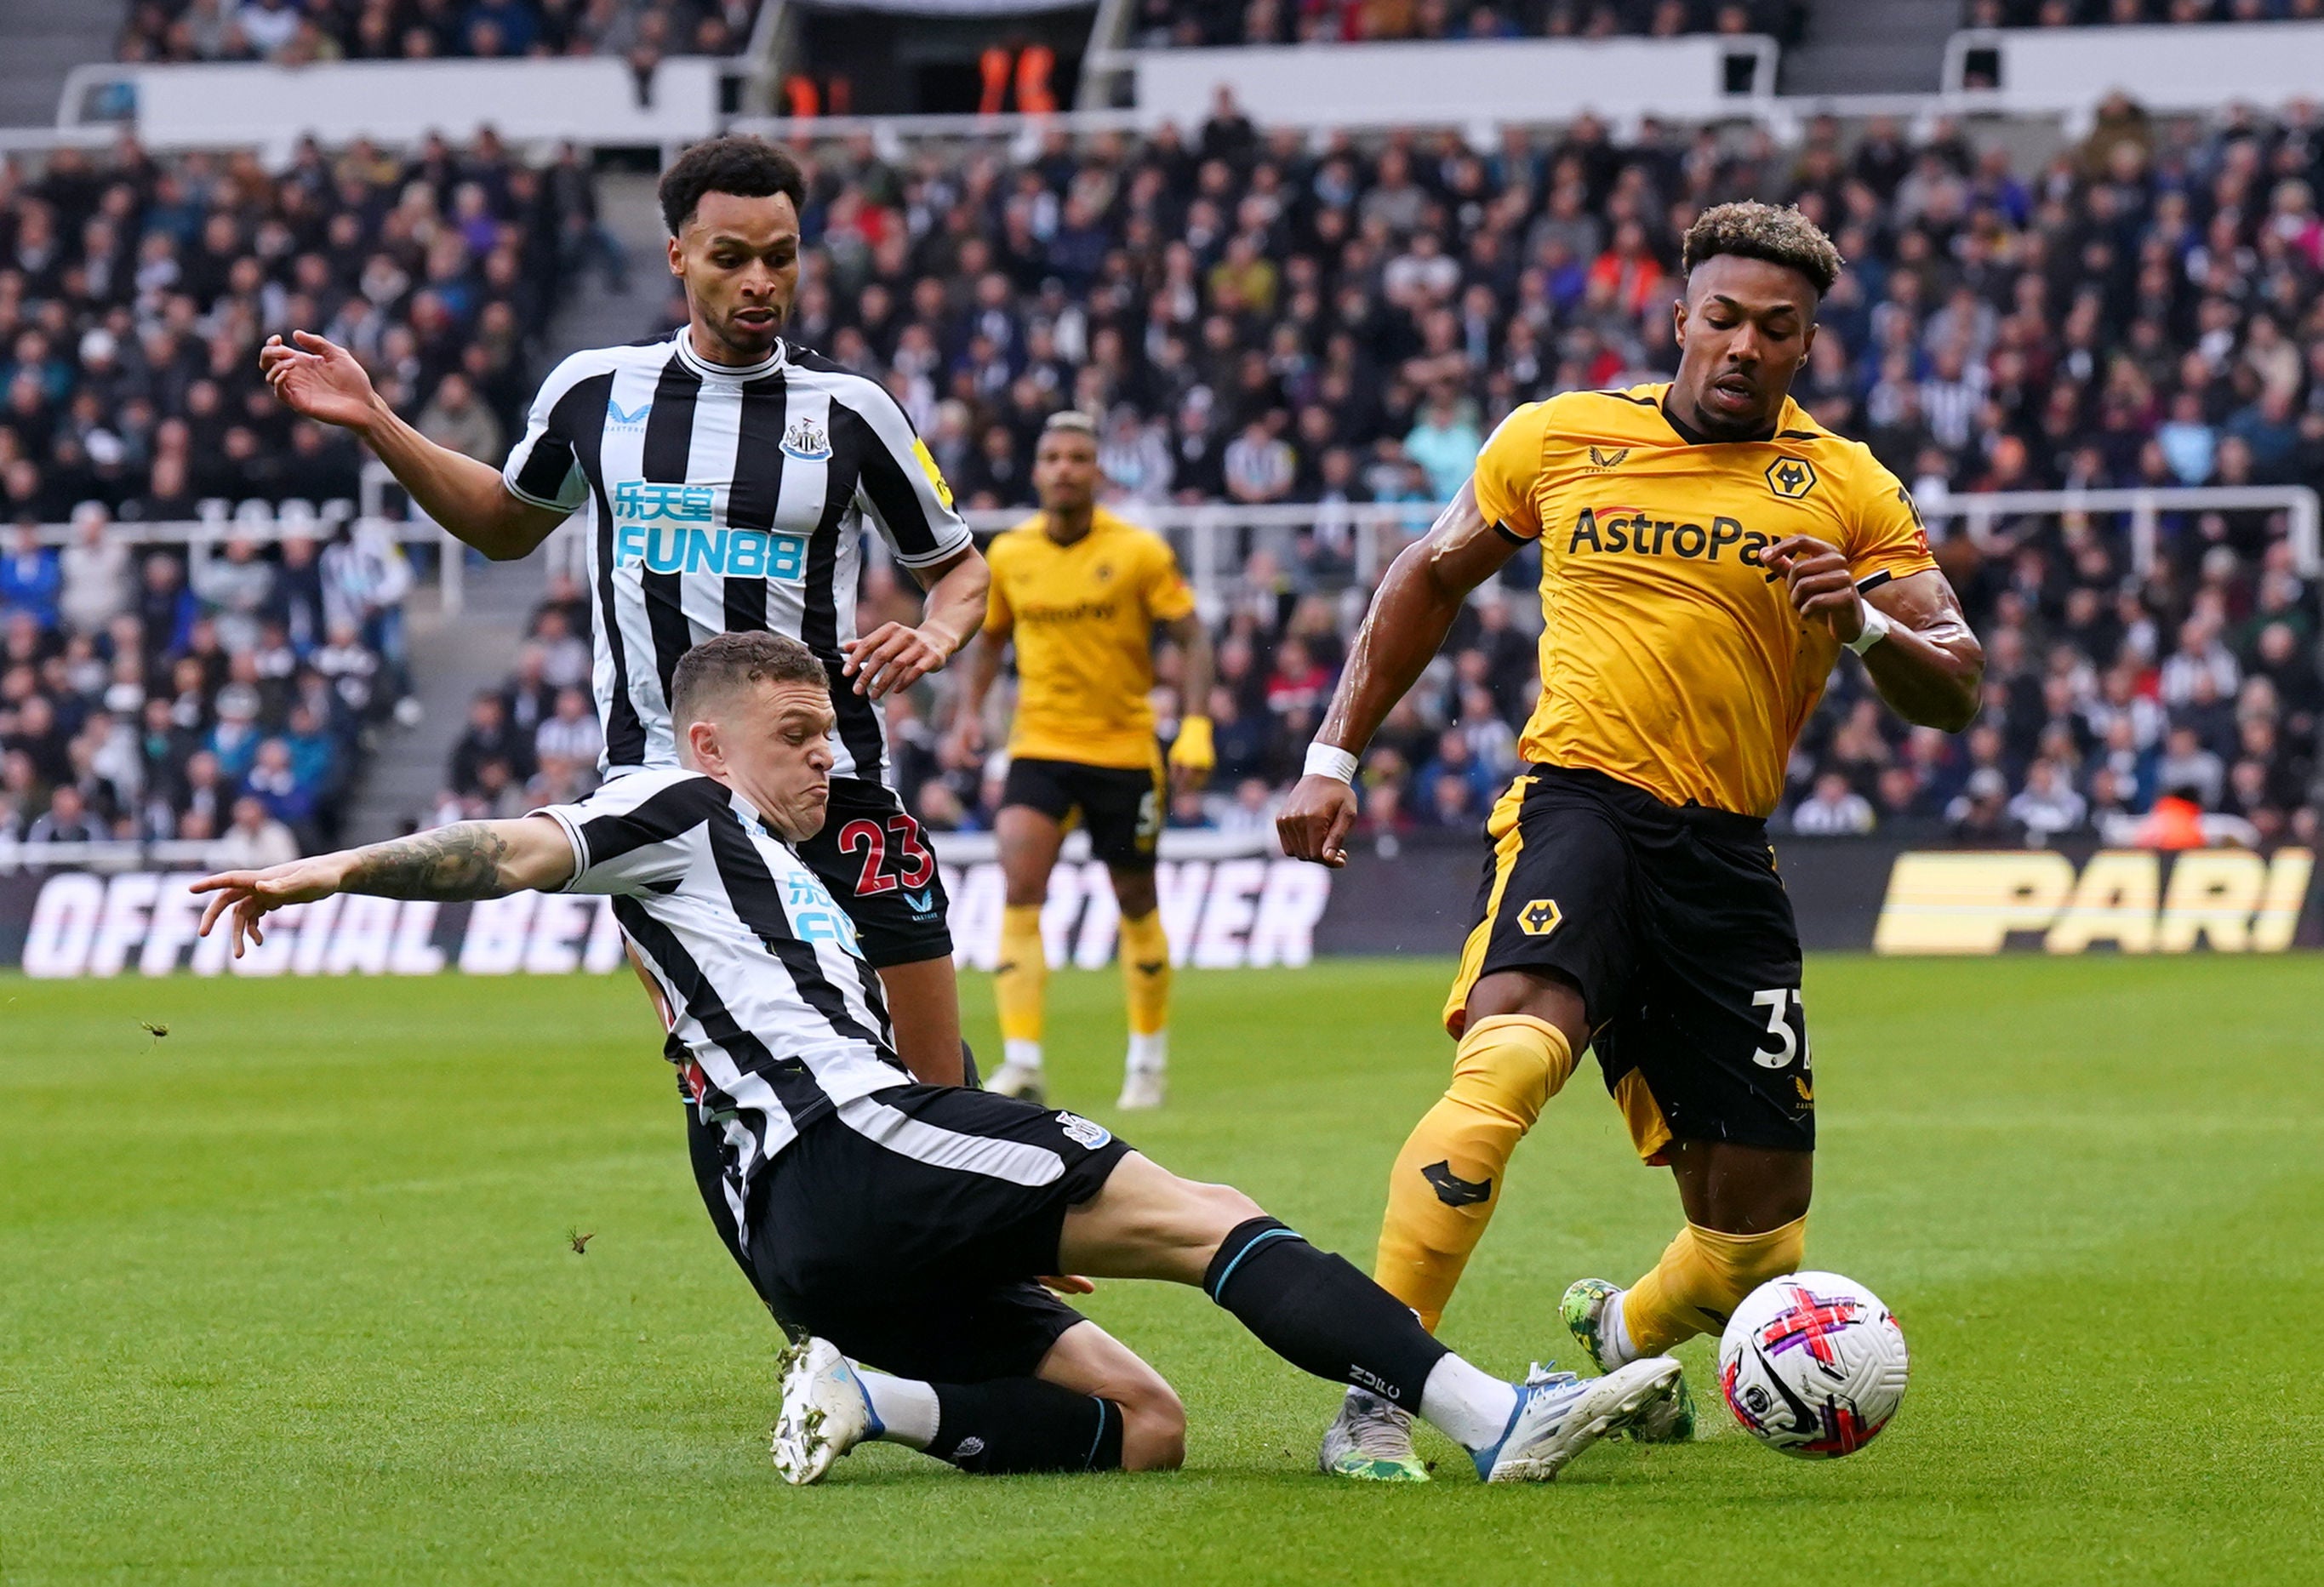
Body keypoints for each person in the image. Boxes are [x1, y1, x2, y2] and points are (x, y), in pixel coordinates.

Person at [191, 631, 1685, 1486]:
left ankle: (876, 1399)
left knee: (1146, 1431)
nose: (820, 761)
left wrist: (983, 1197)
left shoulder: (774, 882)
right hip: (852, 1150)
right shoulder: (669, 807)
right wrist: (314, 875)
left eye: (827, 737)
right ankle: (1498, 1421)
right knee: (1208, 1213)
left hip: (811, 1241)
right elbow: (509, 850)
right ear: (709, 746)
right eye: (790, 737)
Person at [1276, 203, 1985, 1481]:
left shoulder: (1846, 484)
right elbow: (1427, 573)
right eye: (1720, 318)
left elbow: (1960, 677)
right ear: (1677, 319)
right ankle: (1378, 1395)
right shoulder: (1559, 436)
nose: (1741, 347)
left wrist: (1865, 627)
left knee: (1754, 1253)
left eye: (1775, 329)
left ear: (1806, 345)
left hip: (1726, 858)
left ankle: (1620, 1334)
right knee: (1502, 1071)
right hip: (1579, 809)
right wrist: (1333, 754)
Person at [259, 134, 991, 1087]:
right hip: (661, 796)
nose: (760, 280)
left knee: (933, 1090)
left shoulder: (851, 411)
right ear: (680, 255)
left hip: (833, 786)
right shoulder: (595, 391)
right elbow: (503, 525)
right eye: (732, 257)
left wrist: (935, 633)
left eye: (782, 255)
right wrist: (379, 424)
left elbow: (961, 568)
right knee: (738, 1079)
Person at [946, 413, 1215, 1110]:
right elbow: (990, 642)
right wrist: (971, 713)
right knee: (1019, 884)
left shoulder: (1138, 552)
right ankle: (1024, 1059)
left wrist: (1194, 726)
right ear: (1036, 470)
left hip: (1124, 751)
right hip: (1039, 744)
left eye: (1078, 457)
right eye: (1053, 457)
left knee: (1135, 899)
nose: (1064, 468)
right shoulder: (1008, 553)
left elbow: (1193, 638)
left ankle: (1148, 1062)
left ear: (1097, 471)